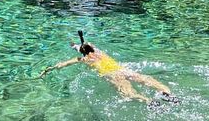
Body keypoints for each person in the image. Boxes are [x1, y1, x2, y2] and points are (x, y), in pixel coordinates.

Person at [40, 31, 175, 105]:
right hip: (122, 69)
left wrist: (48, 69)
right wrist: (78, 44)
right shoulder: (99, 52)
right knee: (147, 80)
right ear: (92, 48)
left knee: (128, 93)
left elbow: (62, 65)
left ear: (82, 53)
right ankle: (167, 93)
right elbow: (87, 45)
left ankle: (148, 101)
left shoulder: (83, 59)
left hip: (112, 75)